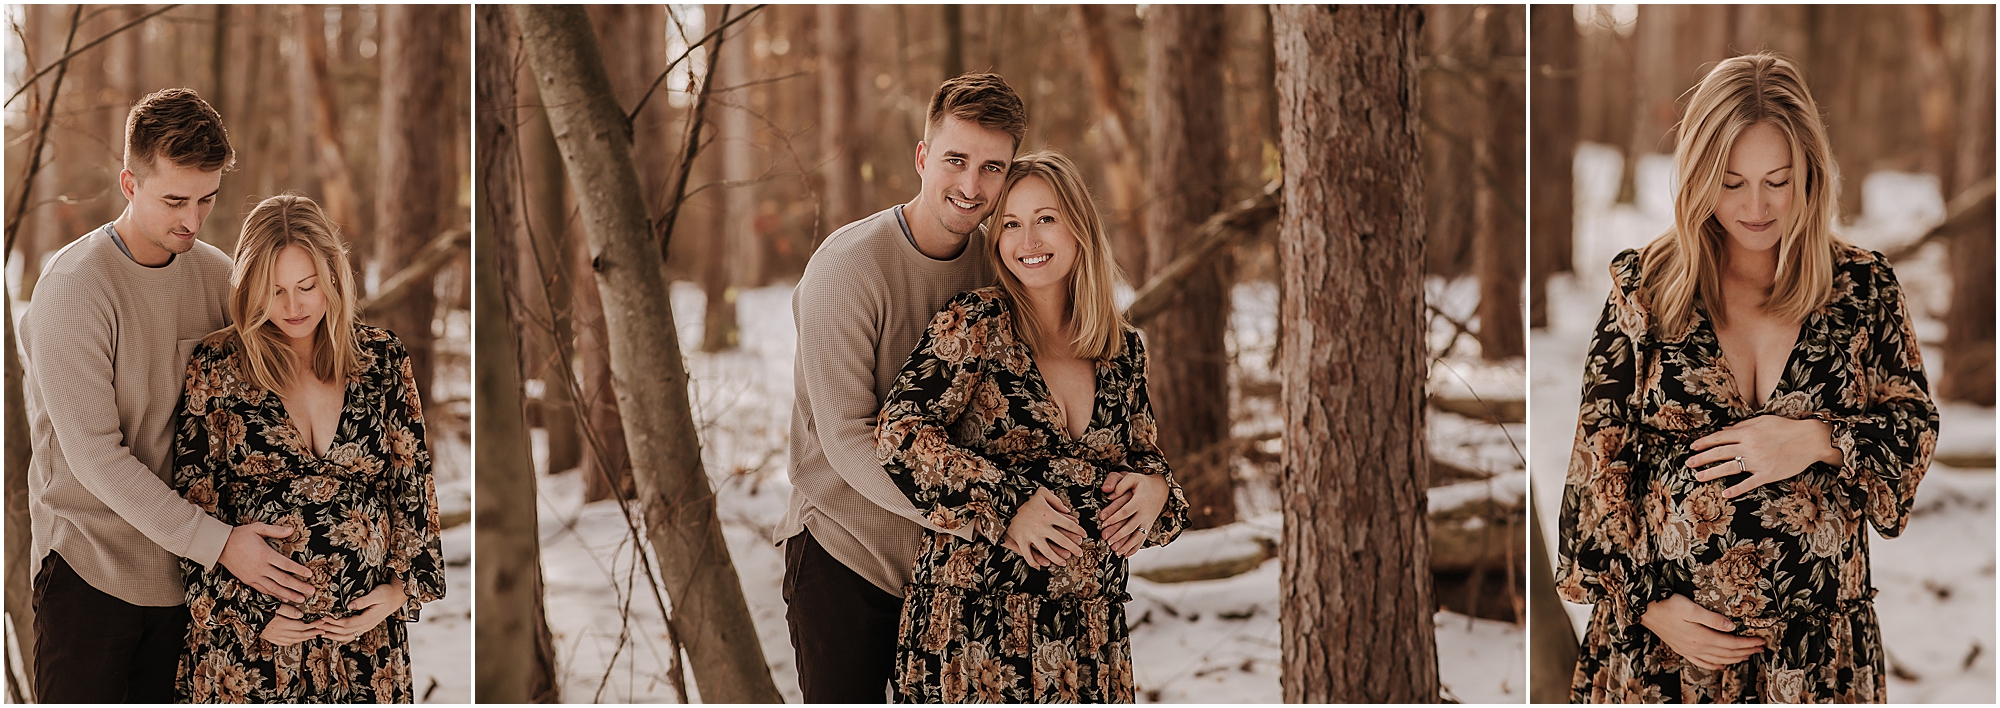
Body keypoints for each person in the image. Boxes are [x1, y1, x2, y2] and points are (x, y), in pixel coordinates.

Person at [1554, 53, 1937, 703]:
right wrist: (1647, 608)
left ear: (1810, 175)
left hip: (1818, 668)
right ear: (1699, 176)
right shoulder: (1643, 289)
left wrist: (1819, 437)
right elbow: (1597, 474)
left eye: (1777, 181)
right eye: (1731, 182)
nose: (1756, 207)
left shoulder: (1863, 288)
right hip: (1662, 666)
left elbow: (1910, 433)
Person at [20, 88, 321, 702]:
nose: (192, 219)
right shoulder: (75, 287)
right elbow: (95, 456)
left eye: (207, 200)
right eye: (174, 200)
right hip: (89, 572)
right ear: (129, 184)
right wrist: (221, 544)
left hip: (193, 580)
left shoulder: (217, 277)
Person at [876, 150, 1186, 703]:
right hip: (975, 635)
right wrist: (1007, 504)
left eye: (1045, 218)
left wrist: (1158, 492)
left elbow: (1146, 464)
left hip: (1090, 644)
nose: (1028, 241)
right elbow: (900, 433)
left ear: (1079, 225)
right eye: (1011, 224)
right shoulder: (975, 324)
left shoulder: (1121, 349)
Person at [171, 194, 445, 702]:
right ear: (250, 288)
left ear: (333, 278)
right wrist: (247, 614)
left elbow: (412, 488)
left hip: (366, 651)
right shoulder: (218, 366)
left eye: (306, 286)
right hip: (249, 650)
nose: (293, 307)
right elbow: (191, 506)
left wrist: (398, 591)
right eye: (274, 291)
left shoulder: (381, 358)